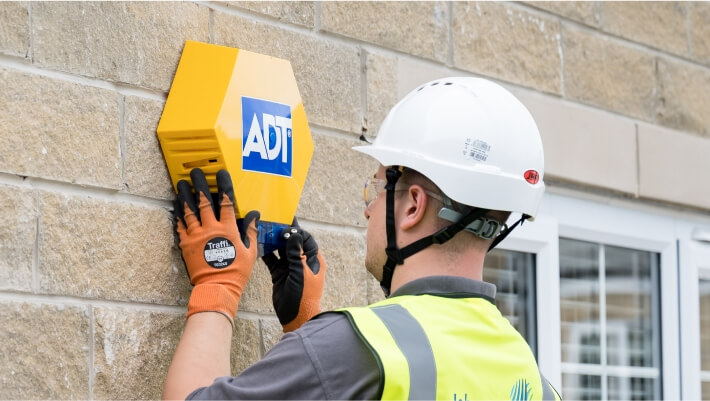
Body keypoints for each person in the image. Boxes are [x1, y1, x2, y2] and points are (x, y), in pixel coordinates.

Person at [162, 77, 561, 400]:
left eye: (377, 188)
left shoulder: (357, 348)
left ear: (413, 206)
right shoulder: (535, 382)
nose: (368, 210)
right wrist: (305, 323)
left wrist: (218, 285)